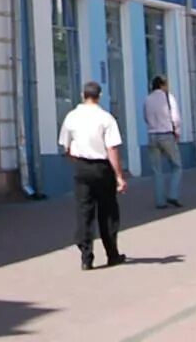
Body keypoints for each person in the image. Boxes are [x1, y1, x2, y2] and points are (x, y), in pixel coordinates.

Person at [60, 80, 127, 270]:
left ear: (83, 95)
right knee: (107, 212)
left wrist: (77, 159)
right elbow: (112, 148)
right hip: (102, 168)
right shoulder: (106, 118)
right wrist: (119, 176)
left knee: (84, 212)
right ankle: (112, 253)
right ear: (100, 97)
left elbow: (66, 146)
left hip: (81, 168)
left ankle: (86, 257)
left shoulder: (71, 117)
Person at [143, 75, 184, 209]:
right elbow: (176, 118)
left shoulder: (147, 99)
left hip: (152, 135)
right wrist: (177, 132)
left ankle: (160, 201)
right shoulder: (168, 98)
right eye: (166, 84)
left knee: (157, 170)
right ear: (162, 85)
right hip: (166, 134)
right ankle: (172, 194)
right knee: (177, 166)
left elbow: (145, 117)